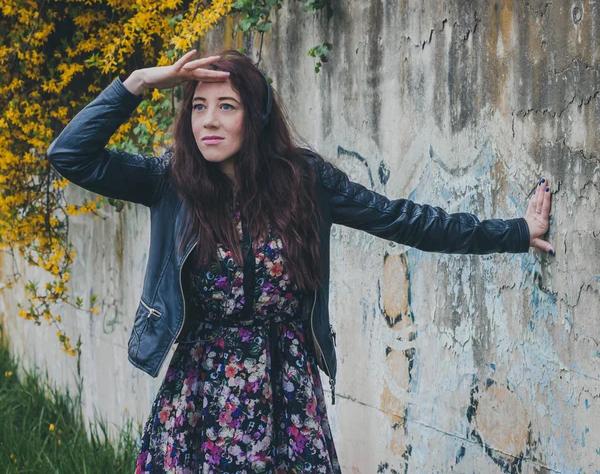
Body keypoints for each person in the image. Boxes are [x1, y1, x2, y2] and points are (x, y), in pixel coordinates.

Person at [47, 48, 554, 474]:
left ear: (257, 116)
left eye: (227, 106)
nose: (209, 122)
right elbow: (70, 155)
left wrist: (516, 232)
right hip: (200, 391)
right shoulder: (171, 182)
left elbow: (403, 220)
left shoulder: (305, 182)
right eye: (199, 108)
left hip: (284, 387)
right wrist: (137, 83)